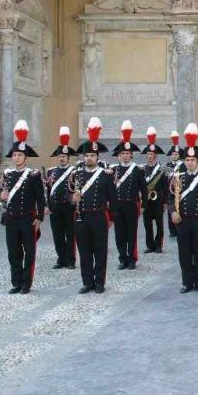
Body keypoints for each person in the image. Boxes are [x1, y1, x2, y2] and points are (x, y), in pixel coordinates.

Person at [167, 124, 198, 293]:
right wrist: (173, 211)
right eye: (186, 160)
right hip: (183, 220)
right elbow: (171, 197)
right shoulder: (177, 177)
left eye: (192, 160)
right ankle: (187, 282)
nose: (189, 162)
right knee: (184, 253)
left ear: (197, 161)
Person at [0, 120, 45, 294]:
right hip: (11, 218)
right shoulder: (8, 174)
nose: (16, 157)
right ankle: (16, 282)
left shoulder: (33, 175)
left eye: (19, 155)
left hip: (27, 218)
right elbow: (2, 190)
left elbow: (40, 198)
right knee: (13, 252)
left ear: (25, 157)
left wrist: (39, 217)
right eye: (14, 155)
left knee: (29, 252)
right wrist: (0, 195)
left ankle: (26, 283)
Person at [72, 117, 116, 294]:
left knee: (100, 251)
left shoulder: (105, 175)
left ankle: (99, 283)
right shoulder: (77, 175)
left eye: (92, 156)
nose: (89, 158)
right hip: (81, 217)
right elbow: (68, 194)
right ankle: (87, 282)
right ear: (83, 157)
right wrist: (71, 199)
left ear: (97, 157)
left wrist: (111, 217)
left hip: (98, 216)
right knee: (84, 251)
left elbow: (113, 198)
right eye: (87, 155)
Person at [111, 120, 147, 270]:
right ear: (118, 156)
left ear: (131, 155)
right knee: (119, 233)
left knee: (131, 233)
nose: (125, 156)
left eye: (127, 153)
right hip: (118, 205)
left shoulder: (137, 170)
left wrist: (144, 205)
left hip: (132, 204)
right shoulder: (113, 170)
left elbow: (144, 189)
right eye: (122, 153)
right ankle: (122, 258)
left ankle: (132, 259)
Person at [46, 126, 77, 269]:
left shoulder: (74, 171)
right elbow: (48, 189)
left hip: (69, 206)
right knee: (57, 234)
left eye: (64, 157)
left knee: (70, 235)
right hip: (55, 206)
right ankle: (61, 259)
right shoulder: (51, 171)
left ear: (68, 158)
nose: (61, 159)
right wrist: (47, 205)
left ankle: (70, 260)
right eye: (59, 157)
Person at [142, 127, 167, 254]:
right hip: (147, 201)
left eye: (151, 154)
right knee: (147, 224)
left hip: (158, 200)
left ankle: (158, 245)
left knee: (159, 224)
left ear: (155, 155)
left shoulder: (161, 170)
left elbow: (166, 187)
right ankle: (149, 245)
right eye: (148, 154)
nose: (149, 156)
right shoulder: (143, 169)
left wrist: (165, 202)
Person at [165, 131, 182, 238]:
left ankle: (178, 227)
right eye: (173, 154)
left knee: (178, 209)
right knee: (170, 211)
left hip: (178, 189)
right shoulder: (167, 165)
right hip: (169, 189)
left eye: (176, 154)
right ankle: (172, 230)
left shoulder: (182, 165)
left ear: (179, 155)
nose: (174, 156)